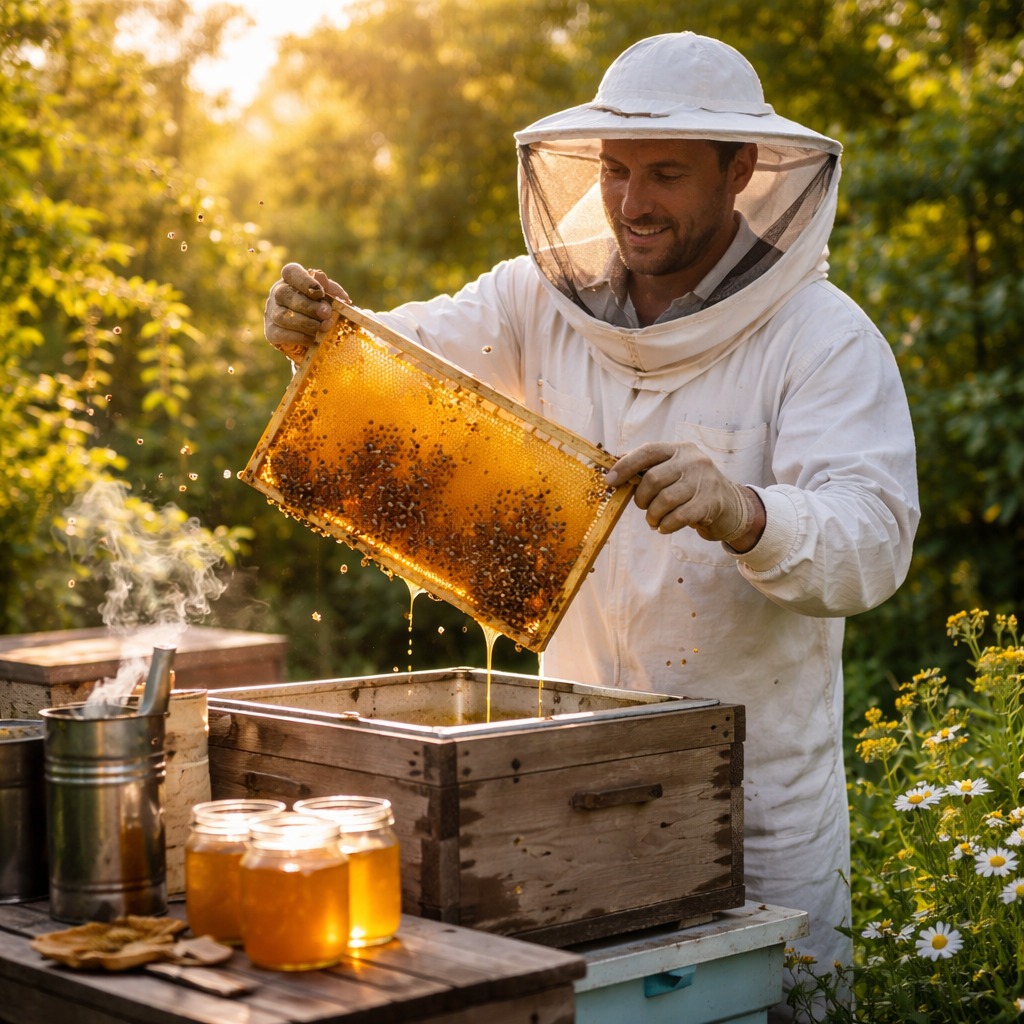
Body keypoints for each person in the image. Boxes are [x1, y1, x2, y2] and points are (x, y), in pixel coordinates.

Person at [264, 31, 919, 1018]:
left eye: (664, 174)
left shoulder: (822, 339)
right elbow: (403, 360)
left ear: (741, 172)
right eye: (614, 171)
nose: (630, 202)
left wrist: (745, 511)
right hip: (564, 785)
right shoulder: (539, 300)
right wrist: (319, 332)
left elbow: (871, 542)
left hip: (756, 814)